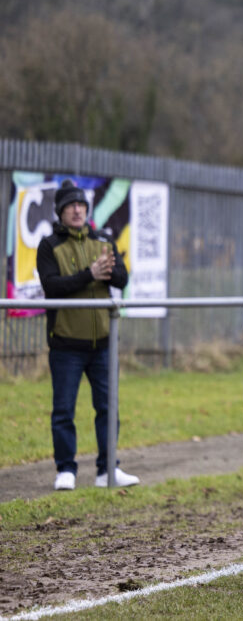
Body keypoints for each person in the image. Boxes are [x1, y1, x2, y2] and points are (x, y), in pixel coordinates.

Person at [37, 179, 138, 491]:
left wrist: (108, 271)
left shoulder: (103, 239)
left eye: (81, 205)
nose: (77, 209)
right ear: (61, 212)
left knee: (108, 408)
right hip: (66, 345)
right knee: (64, 410)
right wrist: (89, 275)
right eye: (70, 206)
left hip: (103, 344)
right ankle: (65, 469)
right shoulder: (49, 245)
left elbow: (121, 278)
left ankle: (107, 470)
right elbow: (52, 287)